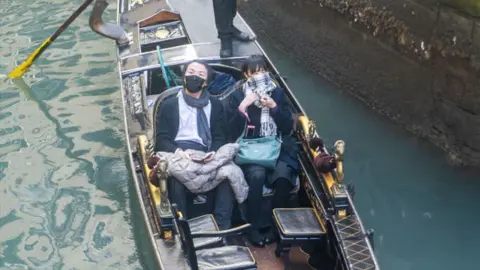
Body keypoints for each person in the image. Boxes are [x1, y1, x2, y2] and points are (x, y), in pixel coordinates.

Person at [227, 55, 299, 246]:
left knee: (284, 177)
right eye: (255, 72)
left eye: (262, 71)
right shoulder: (236, 96)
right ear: (245, 75)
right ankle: (253, 227)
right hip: (249, 149)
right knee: (256, 176)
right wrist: (244, 106)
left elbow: (287, 128)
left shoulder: (278, 94)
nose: (260, 76)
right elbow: (231, 132)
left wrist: (274, 107)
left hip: (277, 146)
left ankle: (277, 226)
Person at [153, 60, 234, 230]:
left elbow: (220, 136)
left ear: (205, 82)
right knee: (177, 175)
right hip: (179, 151)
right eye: (191, 72)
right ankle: (183, 229)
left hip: (206, 151)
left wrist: (212, 152)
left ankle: (223, 227)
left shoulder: (216, 105)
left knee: (228, 174)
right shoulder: (169, 105)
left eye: (200, 75)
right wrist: (179, 152)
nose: (194, 77)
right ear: (183, 77)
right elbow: (161, 140)